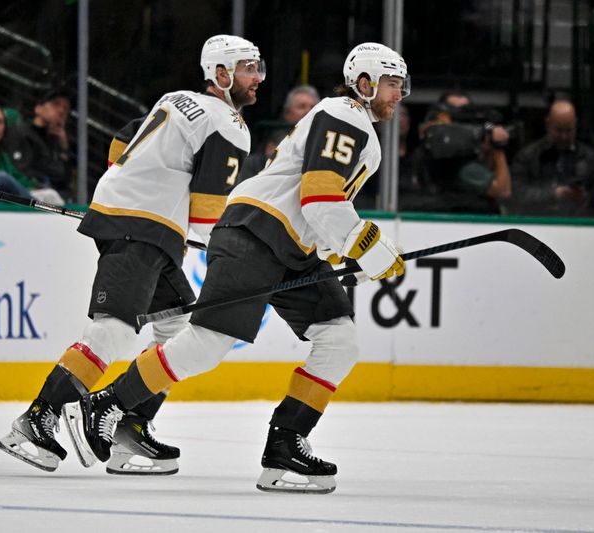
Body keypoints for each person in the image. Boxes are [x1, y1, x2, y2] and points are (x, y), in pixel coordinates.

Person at [63, 42, 409, 494]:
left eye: (402, 84)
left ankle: (285, 446)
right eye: (391, 83)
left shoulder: (354, 122)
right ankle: (106, 404)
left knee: (339, 339)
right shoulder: (345, 115)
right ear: (364, 84)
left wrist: (347, 252)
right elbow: (320, 196)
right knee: (207, 344)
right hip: (256, 231)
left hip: (291, 245)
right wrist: (364, 244)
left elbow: (318, 207)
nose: (399, 94)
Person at [0, 34, 264, 475]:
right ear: (221, 74)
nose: (258, 79)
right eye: (248, 69)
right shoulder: (229, 125)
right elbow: (210, 212)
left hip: (140, 222)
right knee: (115, 329)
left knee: (174, 322)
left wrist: (130, 190)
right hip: (143, 227)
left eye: (259, 68)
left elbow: (123, 142)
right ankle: (36, 419)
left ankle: (128, 428)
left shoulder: (177, 99)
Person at [417, 90, 512, 214]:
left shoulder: (472, 147)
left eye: (466, 113)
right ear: (442, 117)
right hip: (456, 218)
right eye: (455, 114)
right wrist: (498, 149)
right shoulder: (442, 150)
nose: (461, 119)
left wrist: (489, 145)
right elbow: (502, 190)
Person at [508, 100, 594, 217]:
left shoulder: (591, 159)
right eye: (558, 130)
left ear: (575, 125)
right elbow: (516, 193)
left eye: (568, 130)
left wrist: (585, 197)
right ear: (548, 124)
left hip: (579, 224)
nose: (564, 136)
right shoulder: (528, 157)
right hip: (538, 222)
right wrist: (555, 193)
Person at [240, 85, 321, 183]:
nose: (308, 111)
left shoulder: (323, 138)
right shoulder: (274, 136)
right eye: (301, 107)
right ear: (287, 112)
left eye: (312, 107)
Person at [8, 89, 73, 201]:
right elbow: (20, 169)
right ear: (38, 109)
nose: (61, 111)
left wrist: (64, 148)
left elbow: (66, 181)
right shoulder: (22, 132)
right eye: (56, 104)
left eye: (65, 109)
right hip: (29, 194)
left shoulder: (56, 139)